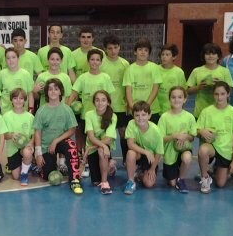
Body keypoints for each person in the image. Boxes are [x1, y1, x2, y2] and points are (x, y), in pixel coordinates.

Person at [67, 48, 115, 171]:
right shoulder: (83, 77)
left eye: (97, 60)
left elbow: (110, 97)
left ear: (101, 62)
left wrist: (110, 114)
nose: (94, 62)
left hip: (102, 116)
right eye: (92, 59)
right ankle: (84, 160)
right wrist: (66, 107)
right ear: (88, 61)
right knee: (84, 139)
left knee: (103, 140)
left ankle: (108, 162)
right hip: (86, 116)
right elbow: (74, 93)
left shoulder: (105, 77)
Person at [33, 78, 83, 194]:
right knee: (47, 176)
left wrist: (56, 140)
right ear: (46, 93)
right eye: (50, 89)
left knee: (71, 146)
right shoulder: (41, 111)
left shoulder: (66, 109)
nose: (53, 91)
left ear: (61, 92)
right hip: (46, 146)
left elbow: (72, 130)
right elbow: (37, 133)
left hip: (60, 142)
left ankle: (75, 180)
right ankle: (40, 167)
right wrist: (38, 154)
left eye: (56, 89)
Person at [196, 82, 233, 194]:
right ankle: (205, 178)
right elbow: (196, 130)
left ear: (228, 94)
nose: (219, 97)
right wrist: (201, 131)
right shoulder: (206, 111)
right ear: (213, 95)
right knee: (203, 150)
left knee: (221, 184)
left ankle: (216, 169)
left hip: (226, 150)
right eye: (216, 94)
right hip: (211, 146)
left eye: (222, 94)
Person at [157, 86, 196, 194]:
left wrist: (185, 137)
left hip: (184, 149)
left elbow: (192, 137)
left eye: (179, 97)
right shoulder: (164, 117)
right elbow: (161, 139)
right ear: (169, 99)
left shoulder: (189, 117)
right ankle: (174, 173)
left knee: (187, 157)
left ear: (185, 99)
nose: (176, 100)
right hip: (170, 153)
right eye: (173, 97)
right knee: (171, 184)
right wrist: (174, 136)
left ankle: (181, 179)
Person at [99, 34, 130, 162]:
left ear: (119, 48)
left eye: (115, 47)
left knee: (124, 133)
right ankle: (108, 160)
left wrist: (128, 103)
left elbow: (128, 86)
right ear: (105, 49)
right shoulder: (101, 63)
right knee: (106, 134)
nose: (113, 51)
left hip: (121, 105)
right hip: (105, 106)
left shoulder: (125, 64)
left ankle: (126, 160)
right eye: (110, 48)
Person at [123, 101, 164, 195]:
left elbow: (159, 153)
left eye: (143, 115)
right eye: (137, 115)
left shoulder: (156, 132)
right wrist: (146, 152)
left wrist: (152, 169)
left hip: (151, 157)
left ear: (149, 116)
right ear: (133, 116)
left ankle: (139, 174)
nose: (140, 118)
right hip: (139, 153)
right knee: (130, 153)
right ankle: (130, 181)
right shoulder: (131, 124)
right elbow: (130, 144)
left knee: (149, 184)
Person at [187, 43, 233, 119]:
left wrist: (221, 85)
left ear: (218, 56)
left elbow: (230, 90)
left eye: (214, 53)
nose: (211, 56)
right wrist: (198, 87)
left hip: (220, 111)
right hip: (200, 112)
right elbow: (188, 91)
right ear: (203, 56)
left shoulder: (225, 71)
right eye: (208, 54)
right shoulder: (196, 71)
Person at [84, 90, 117, 194]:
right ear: (94, 102)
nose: (100, 103)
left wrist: (92, 147)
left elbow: (109, 139)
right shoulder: (89, 115)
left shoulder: (113, 116)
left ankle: (105, 182)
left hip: (101, 149)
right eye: (97, 100)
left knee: (101, 150)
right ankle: (110, 166)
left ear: (108, 102)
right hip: (93, 149)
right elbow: (91, 137)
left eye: (103, 100)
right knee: (95, 181)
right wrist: (99, 146)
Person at [123, 37, 162, 124]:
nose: (143, 52)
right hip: (135, 110)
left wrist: (147, 106)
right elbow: (128, 90)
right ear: (135, 52)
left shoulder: (154, 67)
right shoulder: (129, 69)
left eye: (146, 50)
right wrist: (132, 107)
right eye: (140, 49)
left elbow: (155, 89)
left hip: (152, 109)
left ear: (149, 53)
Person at [2, 88, 34, 186]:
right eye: (15, 98)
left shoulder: (30, 117)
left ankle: (24, 172)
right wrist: (11, 135)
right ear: (11, 100)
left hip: (26, 146)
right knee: (16, 177)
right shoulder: (6, 116)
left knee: (27, 152)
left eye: (21, 98)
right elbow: (4, 135)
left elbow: (34, 135)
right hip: (13, 149)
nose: (18, 101)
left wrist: (30, 143)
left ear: (25, 100)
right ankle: (28, 165)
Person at [0, 47, 35, 115]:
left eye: (13, 57)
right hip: (5, 113)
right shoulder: (1, 74)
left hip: (22, 112)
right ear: (5, 60)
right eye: (8, 58)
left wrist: (31, 109)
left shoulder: (25, 74)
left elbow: (30, 94)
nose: (11, 60)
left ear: (18, 58)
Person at [157, 43, 186, 114]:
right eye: (162, 54)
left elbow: (183, 92)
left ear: (174, 57)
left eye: (167, 55)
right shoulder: (155, 69)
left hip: (171, 110)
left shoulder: (179, 72)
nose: (164, 57)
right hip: (156, 110)